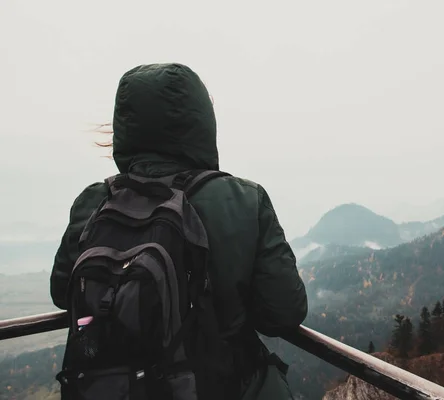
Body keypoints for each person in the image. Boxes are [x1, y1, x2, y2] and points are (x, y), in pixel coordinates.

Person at [50, 63, 308, 399]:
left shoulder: (94, 202)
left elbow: (62, 292)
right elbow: (283, 313)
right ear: (201, 123)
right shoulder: (242, 200)